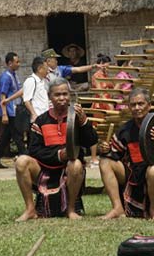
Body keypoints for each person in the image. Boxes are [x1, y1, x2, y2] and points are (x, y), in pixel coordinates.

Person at [12, 79, 98, 221]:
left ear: (70, 95)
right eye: (57, 95)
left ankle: (71, 209)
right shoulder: (41, 121)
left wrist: (83, 120)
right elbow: (34, 150)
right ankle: (30, 209)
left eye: (65, 94)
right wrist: (59, 154)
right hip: (44, 170)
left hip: (70, 169)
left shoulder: (76, 117)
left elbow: (92, 141)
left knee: (76, 164)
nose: (62, 98)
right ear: (49, 97)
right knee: (21, 161)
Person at [98, 88, 154, 220]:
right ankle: (117, 208)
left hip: (153, 175)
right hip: (132, 175)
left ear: (149, 106)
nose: (137, 108)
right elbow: (115, 155)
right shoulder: (125, 130)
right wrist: (106, 150)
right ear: (129, 107)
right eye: (133, 105)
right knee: (105, 162)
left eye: (140, 104)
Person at [0, 52, 25, 169]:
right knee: (17, 135)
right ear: (10, 63)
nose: (19, 64)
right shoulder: (6, 77)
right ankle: (25, 155)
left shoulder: (14, 75)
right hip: (10, 110)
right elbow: (3, 96)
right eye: (17, 62)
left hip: (15, 109)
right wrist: (4, 113)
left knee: (7, 135)